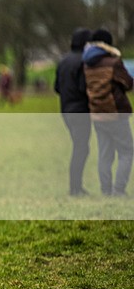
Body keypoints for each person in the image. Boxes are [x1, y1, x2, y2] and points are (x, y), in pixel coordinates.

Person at [83, 28, 134, 196]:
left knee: (105, 153)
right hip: (115, 113)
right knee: (126, 151)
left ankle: (106, 190)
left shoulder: (87, 64)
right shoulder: (113, 63)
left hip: (97, 113)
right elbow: (127, 83)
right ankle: (119, 189)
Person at [55, 28, 92, 196]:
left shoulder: (63, 61)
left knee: (79, 147)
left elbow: (56, 87)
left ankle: (75, 187)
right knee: (81, 148)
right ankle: (75, 188)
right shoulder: (83, 62)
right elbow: (84, 87)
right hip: (80, 111)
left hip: (66, 110)